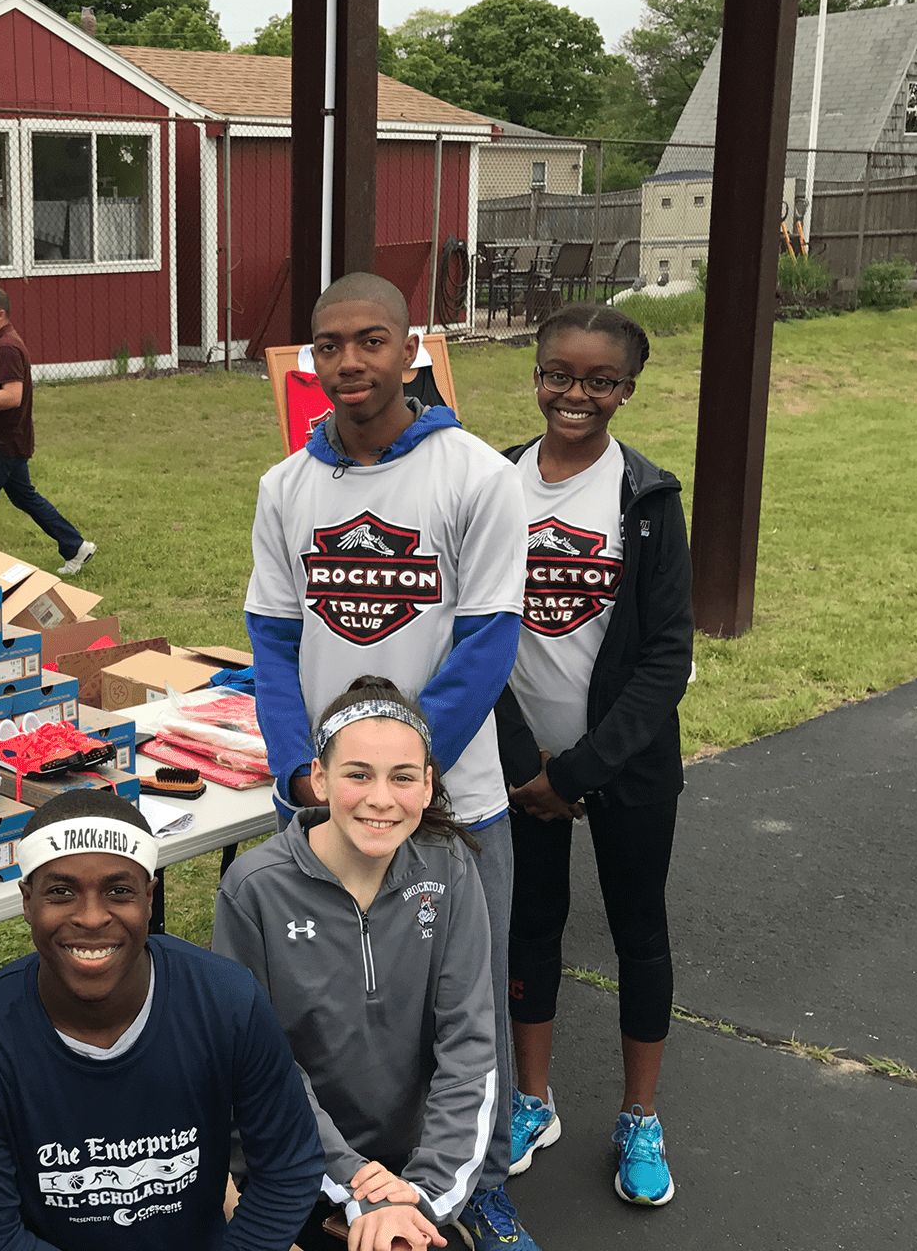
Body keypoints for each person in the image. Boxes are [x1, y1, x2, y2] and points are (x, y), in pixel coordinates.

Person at [243, 271, 539, 1250]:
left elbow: (489, 641)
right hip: (326, 805)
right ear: (310, 359)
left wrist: (409, 777)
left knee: (467, 1009)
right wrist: (304, 770)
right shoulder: (287, 485)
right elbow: (273, 642)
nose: (350, 362)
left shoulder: (474, 476)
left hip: (458, 802)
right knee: (324, 1009)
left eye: (372, 341)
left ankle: (478, 1185)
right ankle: (341, 1178)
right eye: (330, 345)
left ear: (410, 348)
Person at [493, 303, 693, 1207]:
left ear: (627, 390)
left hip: (624, 767)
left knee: (637, 933)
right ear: (535, 375)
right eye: (558, 374)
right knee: (528, 926)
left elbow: (666, 658)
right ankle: (532, 1099)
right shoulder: (492, 483)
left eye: (599, 380)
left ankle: (639, 1115)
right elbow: (467, 632)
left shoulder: (647, 498)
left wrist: (576, 773)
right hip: (516, 763)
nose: (575, 394)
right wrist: (523, 763)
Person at [0, 790, 324, 1251]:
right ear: (26, 901)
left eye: (118, 891)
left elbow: (289, 1166)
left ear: (150, 898)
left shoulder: (228, 1001)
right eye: (61, 892)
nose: (93, 917)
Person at [214, 676, 499, 1251]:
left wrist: (419, 1195)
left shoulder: (449, 870)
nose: (380, 798)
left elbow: (469, 1047)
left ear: (427, 785)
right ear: (318, 779)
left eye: (402, 777)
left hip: (413, 1174)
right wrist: (355, 1185)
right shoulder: (254, 890)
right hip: (293, 1170)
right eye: (357, 774)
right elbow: (257, 1070)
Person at [0, 287, 97, 576]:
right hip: (7, 440)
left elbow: (12, 395)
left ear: (1, 315)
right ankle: (75, 546)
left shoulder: (6, 348)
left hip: (2, 443)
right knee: (25, 497)